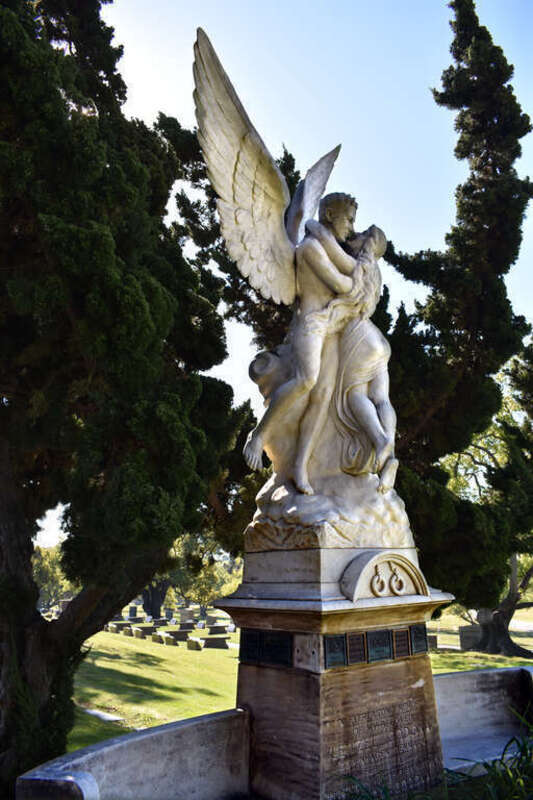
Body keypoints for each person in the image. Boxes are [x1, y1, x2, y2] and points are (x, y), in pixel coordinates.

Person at [243, 193, 360, 488]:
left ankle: (301, 465)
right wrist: (364, 272)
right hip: (310, 325)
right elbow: (344, 284)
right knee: (306, 380)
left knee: (323, 396)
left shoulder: (329, 248)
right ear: (330, 215)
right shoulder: (311, 248)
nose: (352, 228)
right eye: (348, 220)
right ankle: (258, 435)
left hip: (331, 328)